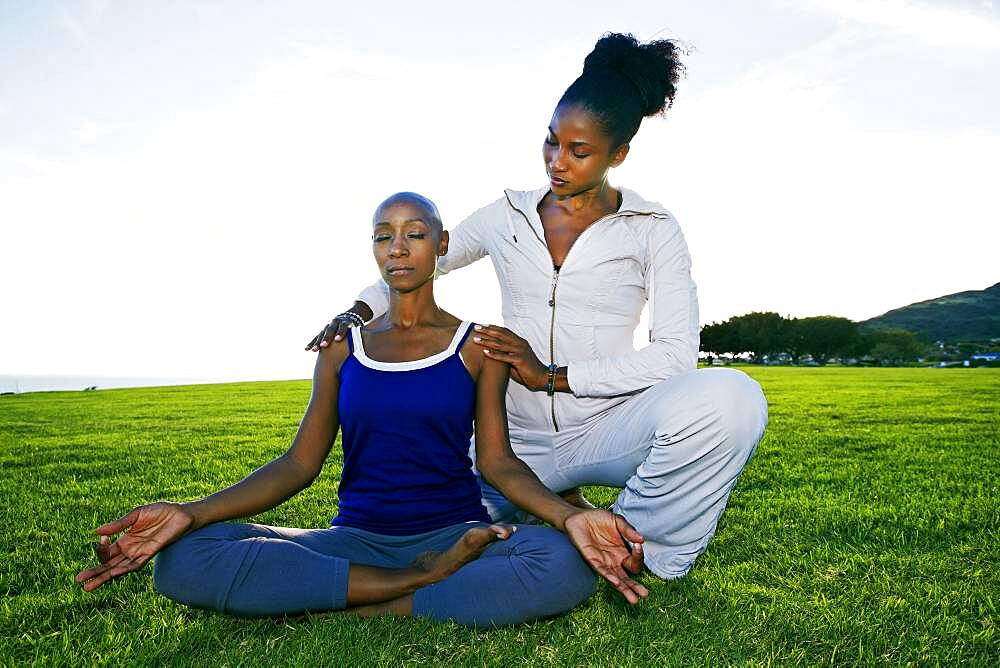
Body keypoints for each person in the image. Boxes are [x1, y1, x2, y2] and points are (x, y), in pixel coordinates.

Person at [307, 33, 769, 580]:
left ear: (617, 155)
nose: (557, 161)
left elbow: (674, 356)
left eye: (579, 151)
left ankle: (637, 545)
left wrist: (553, 376)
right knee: (442, 541)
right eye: (551, 142)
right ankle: (548, 508)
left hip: (605, 425)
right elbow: (417, 262)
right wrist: (358, 310)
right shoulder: (507, 217)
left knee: (732, 398)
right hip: (505, 445)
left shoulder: (654, 229)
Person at [75, 192, 651, 628]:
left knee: (561, 561)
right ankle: (415, 584)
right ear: (374, 249)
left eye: (415, 233)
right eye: (383, 236)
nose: (397, 247)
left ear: (442, 246)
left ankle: (357, 601)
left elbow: (498, 465)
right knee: (181, 559)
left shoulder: (480, 347)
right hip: (354, 539)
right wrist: (190, 513)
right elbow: (298, 465)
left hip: (457, 533)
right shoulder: (341, 350)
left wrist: (568, 517)